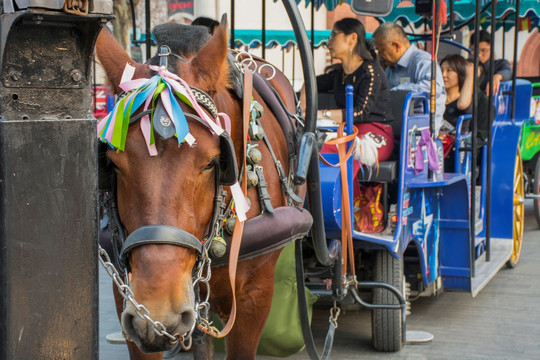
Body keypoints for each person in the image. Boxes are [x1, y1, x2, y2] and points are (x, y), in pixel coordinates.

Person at [314, 18, 395, 166]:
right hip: (348, 132)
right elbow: (310, 83)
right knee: (311, 146)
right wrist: (306, 108)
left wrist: (321, 114)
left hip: (374, 136)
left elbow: (360, 112)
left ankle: (340, 189)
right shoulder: (339, 74)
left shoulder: (371, 72)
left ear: (352, 38)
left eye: (333, 35)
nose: (329, 41)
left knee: (326, 149)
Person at [373, 22, 446, 136]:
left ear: (397, 46)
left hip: (421, 133)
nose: (380, 56)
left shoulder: (422, 60)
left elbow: (434, 88)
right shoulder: (390, 69)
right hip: (397, 129)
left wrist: (399, 91)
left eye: (382, 51)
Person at [469, 29, 512, 95]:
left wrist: (497, 76)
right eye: (475, 50)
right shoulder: (467, 66)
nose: (479, 55)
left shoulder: (500, 64)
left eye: (484, 50)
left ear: (491, 49)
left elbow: (507, 71)